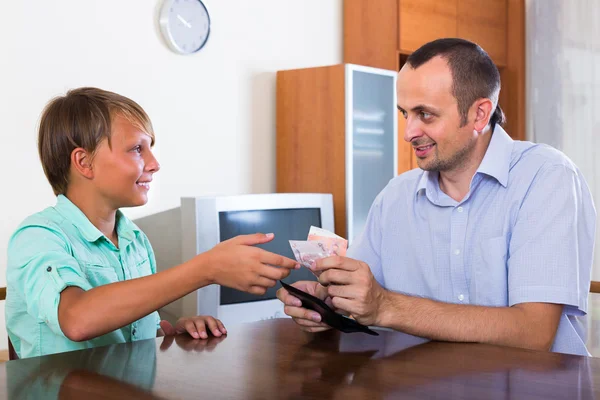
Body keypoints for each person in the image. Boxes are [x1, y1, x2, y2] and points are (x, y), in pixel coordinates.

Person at [277, 38, 596, 356]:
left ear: (480, 114)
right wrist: (329, 304)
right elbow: (363, 296)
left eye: (425, 114)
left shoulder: (547, 178)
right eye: (404, 113)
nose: (408, 132)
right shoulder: (395, 198)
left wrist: (386, 306)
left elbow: (534, 332)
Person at [6, 87, 299, 358]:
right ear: (84, 162)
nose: (154, 163)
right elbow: (76, 319)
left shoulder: (135, 241)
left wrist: (169, 331)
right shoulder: (38, 236)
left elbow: (131, 326)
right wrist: (205, 269)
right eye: (137, 149)